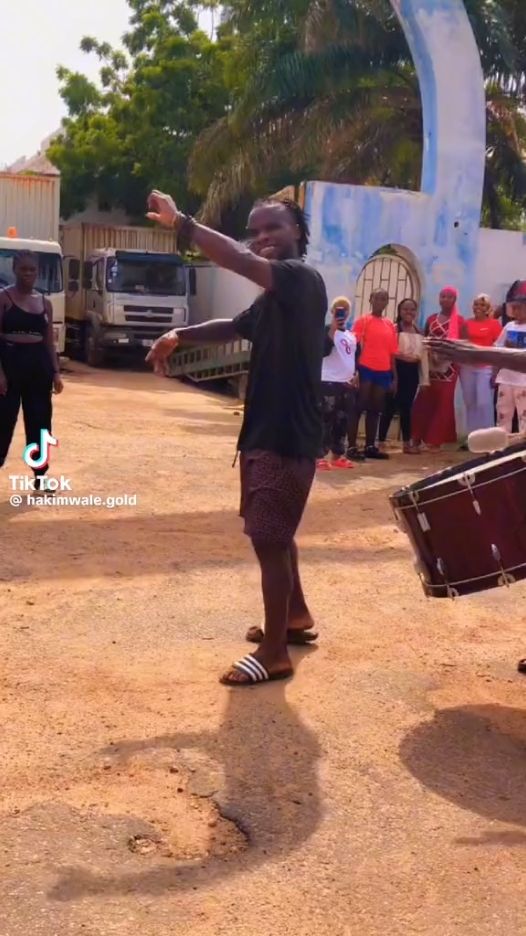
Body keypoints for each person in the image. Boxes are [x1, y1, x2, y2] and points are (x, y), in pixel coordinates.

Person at [145, 190, 327, 688]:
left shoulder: (301, 279)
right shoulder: (273, 299)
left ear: (298, 233)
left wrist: (182, 224)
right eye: (255, 230)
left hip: (286, 434)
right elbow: (232, 325)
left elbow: (240, 261)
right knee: (277, 533)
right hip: (265, 430)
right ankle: (294, 618)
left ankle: (274, 653)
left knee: (269, 539)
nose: (261, 237)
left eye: (273, 227)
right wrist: (180, 335)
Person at [0, 251, 63, 488]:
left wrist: (55, 373)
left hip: (38, 366)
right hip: (10, 362)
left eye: (32, 270)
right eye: (23, 269)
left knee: (40, 422)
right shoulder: (4, 298)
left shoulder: (44, 303)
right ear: (14, 270)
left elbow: (49, 342)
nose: (27, 274)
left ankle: (40, 476)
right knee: (3, 421)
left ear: (37, 273)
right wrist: (0, 373)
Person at [346, 288, 398, 460]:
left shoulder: (389, 324)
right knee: (358, 406)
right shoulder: (363, 321)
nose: (380, 302)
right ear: (371, 300)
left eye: (384, 299)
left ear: (387, 302)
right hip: (365, 368)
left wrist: (394, 377)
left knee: (375, 408)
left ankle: (370, 446)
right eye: (377, 298)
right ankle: (351, 446)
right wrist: (354, 371)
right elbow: (353, 347)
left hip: (383, 371)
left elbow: (392, 352)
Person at [410, 286, 464, 453]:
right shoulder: (431, 319)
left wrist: (448, 354)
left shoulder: (460, 322)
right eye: (442, 296)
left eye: (449, 297)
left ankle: (435, 441)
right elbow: (425, 340)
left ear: (455, 300)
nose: (445, 299)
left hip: (450, 369)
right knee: (423, 401)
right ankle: (416, 436)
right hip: (431, 367)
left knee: (444, 403)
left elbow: (464, 344)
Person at [378, 298, 429, 454]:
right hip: (396, 368)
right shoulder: (394, 329)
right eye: (405, 309)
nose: (409, 312)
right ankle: (381, 442)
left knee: (406, 407)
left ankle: (407, 443)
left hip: (412, 372)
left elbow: (424, 357)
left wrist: (425, 380)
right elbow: (390, 353)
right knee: (389, 406)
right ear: (400, 311)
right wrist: (393, 376)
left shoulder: (420, 331)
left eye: (412, 309)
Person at [317, 296, 358, 470]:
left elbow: (354, 357)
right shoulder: (325, 330)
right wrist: (333, 329)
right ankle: (319, 455)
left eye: (345, 309)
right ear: (332, 311)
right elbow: (322, 351)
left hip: (345, 384)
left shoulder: (351, 336)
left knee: (341, 420)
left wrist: (356, 374)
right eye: (339, 309)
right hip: (328, 381)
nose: (342, 312)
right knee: (325, 419)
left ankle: (337, 454)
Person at [458, 294, 502, 435]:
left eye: (482, 305)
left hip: (486, 367)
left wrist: (496, 371)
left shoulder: (494, 324)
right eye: (476, 304)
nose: (478, 307)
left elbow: (498, 348)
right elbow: (462, 345)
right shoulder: (467, 324)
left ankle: (487, 435)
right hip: (467, 367)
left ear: (488, 308)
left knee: (484, 402)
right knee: (469, 402)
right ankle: (472, 436)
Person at [493, 299, 526, 434]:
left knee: (524, 416)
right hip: (506, 378)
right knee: (503, 414)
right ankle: (502, 443)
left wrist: (517, 348)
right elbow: (497, 347)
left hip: (523, 380)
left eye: (519, 308)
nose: (516, 311)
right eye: (514, 308)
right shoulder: (509, 326)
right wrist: (495, 371)